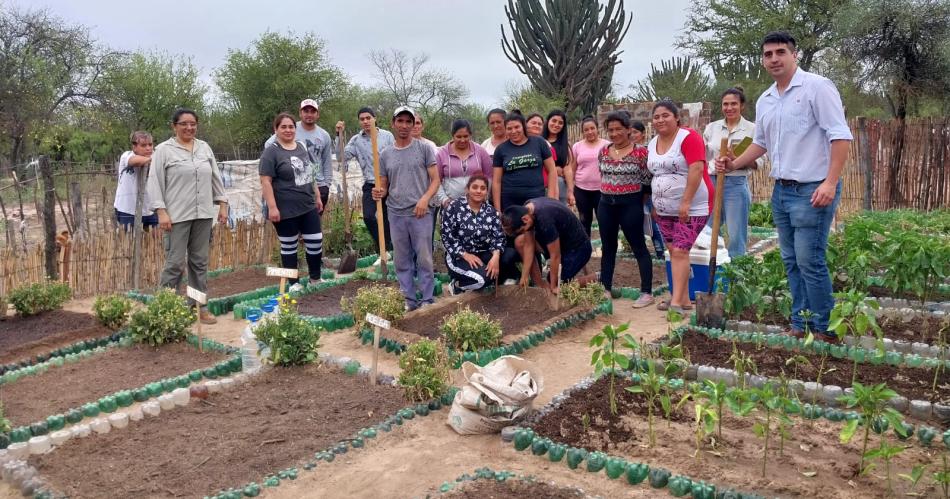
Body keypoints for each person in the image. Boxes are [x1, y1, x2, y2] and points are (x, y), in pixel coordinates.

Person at [717, 31, 852, 340]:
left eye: (780, 52)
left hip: (813, 189)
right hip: (782, 191)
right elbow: (760, 143)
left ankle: (824, 328)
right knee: (791, 260)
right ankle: (800, 322)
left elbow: (840, 136)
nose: (774, 59)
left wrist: (830, 183)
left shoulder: (817, 88)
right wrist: (733, 163)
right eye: (768, 54)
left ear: (794, 55)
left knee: (810, 259)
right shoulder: (766, 99)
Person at [147, 108, 228, 325]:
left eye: (193, 124)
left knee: (199, 262)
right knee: (174, 263)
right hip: (177, 215)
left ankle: (199, 306)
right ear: (174, 126)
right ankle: (165, 309)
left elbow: (215, 178)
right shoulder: (164, 150)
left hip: (203, 213)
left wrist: (222, 204)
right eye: (183, 124)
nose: (189, 127)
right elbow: (154, 182)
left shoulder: (204, 148)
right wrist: (161, 211)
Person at [372, 106, 441, 311]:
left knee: (424, 258)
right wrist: (379, 192)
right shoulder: (385, 154)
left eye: (408, 122)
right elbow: (384, 185)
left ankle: (427, 298)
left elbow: (436, 180)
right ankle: (409, 299)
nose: (404, 125)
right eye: (400, 121)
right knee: (401, 259)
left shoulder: (424, 149)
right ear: (393, 124)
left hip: (420, 212)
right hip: (396, 213)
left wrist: (425, 200)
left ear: (413, 124)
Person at [647, 101, 712, 314]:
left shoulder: (688, 137)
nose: (660, 120)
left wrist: (686, 201)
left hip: (693, 206)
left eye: (665, 115)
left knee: (681, 251)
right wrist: (655, 205)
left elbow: (696, 168)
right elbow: (655, 175)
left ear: (676, 118)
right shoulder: (652, 143)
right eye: (656, 117)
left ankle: (675, 303)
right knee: (674, 251)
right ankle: (683, 299)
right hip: (664, 209)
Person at [597, 111, 655, 307]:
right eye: (610, 130)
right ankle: (605, 288)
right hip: (606, 205)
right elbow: (602, 173)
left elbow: (647, 181)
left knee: (638, 246)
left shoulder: (640, 153)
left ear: (628, 129)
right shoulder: (604, 151)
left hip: (630, 205)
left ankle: (646, 292)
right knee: (608, 248)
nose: (614, 133)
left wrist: (637, 200)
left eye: (618, 129)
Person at [259, 113, 324, 288]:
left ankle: (315, 279)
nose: (288, 130)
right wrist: (272, 207)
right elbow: (266, 181)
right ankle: (293, 283)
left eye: (291, 127)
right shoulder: (271, 151)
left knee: (315, 240)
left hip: (307, 204)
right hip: (284, 208)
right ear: (276, 130)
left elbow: (310, 174)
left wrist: (317, 195)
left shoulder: (301, 146)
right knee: (289, 246)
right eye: (283, 127)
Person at [703, 87, 761, 257]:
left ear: (742, 105)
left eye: (733, 104)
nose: (729, 108)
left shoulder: (751, 130)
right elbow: (704, 157)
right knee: (709, 230)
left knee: (736, 232)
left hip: (736, 185)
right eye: (725, 104)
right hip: (713, 182)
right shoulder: (712, 128)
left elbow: (758, 163)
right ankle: (714, 264)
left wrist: (736, 160)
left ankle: (736, 272)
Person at [336, 107, 395, 253]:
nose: (366, 121)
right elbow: (341, 156)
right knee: (369, 217)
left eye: (368, 118)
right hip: (370, 183)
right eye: (362, 119)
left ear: (375, 119)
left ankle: (389, 250)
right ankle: (385, 248)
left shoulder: (387, 136)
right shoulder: (356, 140)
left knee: (388, 218)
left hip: (389, 182)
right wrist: (339, 136)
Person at [502, 198, 592, 292]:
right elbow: (529, 245)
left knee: (557, 286)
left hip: (578, 249)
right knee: (520, 242)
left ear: (525, 219)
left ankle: (597, 277)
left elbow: (555, 255)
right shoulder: (527, 208)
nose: (524, 232)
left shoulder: (545, 218)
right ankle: (540, 287)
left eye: (522, 230)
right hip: (561, 241)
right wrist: (524, 276)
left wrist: (553, 285)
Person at [440, 175, 511, 292]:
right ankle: (457, 286)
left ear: (486, 192)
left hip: (482, 254)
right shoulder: (454, 207)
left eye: (483, 188)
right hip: (459, 256)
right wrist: (465, 254)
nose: (479, 191)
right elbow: (447, 236)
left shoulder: (491, 211)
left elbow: (498, 237)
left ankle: (486, 280)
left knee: (509, 256)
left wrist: (495, 257)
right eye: (475, 187)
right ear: (467, 189)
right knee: (484, 279)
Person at [264, 99, 333, 208]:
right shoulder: (290, 129)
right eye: (306, 111)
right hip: (297, 186)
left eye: (312, 111)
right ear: (300, 113)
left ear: (317, 114)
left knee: (314, 221)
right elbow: (268, 145)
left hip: (319, 184)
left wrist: (326, 184)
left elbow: (327, 161)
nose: (309, 114)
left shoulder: (324, 135)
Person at [492, 111, 558, 211]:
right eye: (509, 128)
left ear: (523, 126)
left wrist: (550, 198)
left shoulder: (539, 143)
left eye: (517, 127)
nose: (513, 131)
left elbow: (552, 170)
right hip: (510, 202)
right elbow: (496, 182)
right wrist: (497, 210)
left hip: (537, 200)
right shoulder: (501, 150)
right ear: (505, 130)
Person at [435, 119, 494, 205]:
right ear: (452, 135)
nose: (462, 140)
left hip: (478, 205)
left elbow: (489, 176)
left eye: (466, 136)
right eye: (458, 137)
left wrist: (485, 195)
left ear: (470, 135)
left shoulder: (480, 151)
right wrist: (444, 200)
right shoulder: (442, 153)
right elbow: (436, 181)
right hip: (451, 205)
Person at [633, 121, 667, 260]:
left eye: (635, 132)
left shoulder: (648, 150)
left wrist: (646, 194)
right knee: (638, 223)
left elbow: (649, 173)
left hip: (648, 193)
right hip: (634, 193)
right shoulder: (629, 150)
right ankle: (641, 251)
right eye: (630, 132)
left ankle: (660, 250)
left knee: (652, 222)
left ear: (643, 134)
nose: (632, 135)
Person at [571, 116, 609, 235]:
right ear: (583, 132)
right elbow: (573, 168)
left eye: (592, 128)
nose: (590, 132)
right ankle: (585, 250)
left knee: (604, 221)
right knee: (584, 221)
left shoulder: (607, 145)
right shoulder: (577, 146)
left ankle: (606, 251)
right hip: (581, 190)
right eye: (586, 130)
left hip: (602, 190)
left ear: (598, 129)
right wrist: (570, 189)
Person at [114, 131, 158, 230]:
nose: (148, 148)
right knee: (128, 241)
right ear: (134, 147)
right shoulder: (126, 155)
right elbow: (134, 161)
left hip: (150, 208)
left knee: (156, 241)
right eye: (143, 145)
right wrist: (155, 159)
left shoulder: (155, 156)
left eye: (150, 144)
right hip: (127, 209)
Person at [543, 110, 575, 205]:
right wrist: (553, 169)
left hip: (560, 187)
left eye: (560, 123)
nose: (556, 124)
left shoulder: (565, 144)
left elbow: (568, 168)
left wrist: (570, 191)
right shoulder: (539, 141)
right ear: (548, 121)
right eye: (554, 121)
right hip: (541, 186)